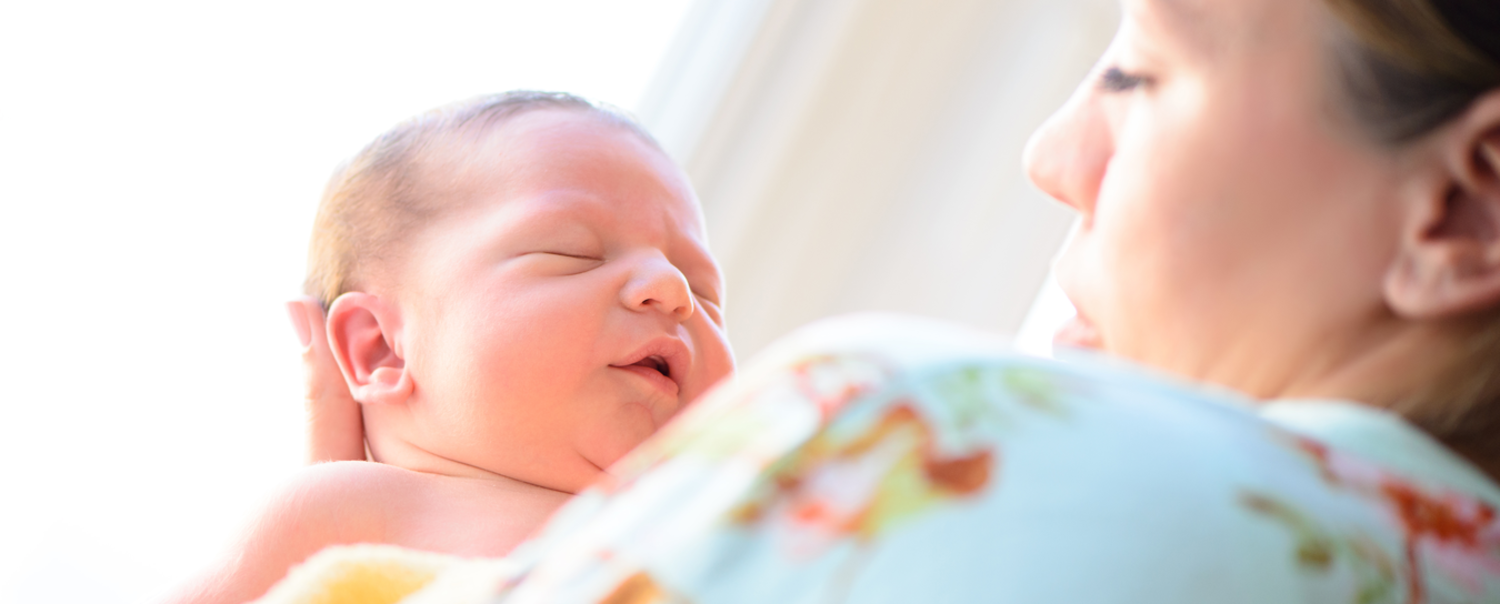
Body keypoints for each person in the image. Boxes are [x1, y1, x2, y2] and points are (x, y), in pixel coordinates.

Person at [275, 0, 1500, 601]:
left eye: (1141, 74)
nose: (1051, 155)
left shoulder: (920, 434)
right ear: (377, 342)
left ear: (1461, 212)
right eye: (564, 254)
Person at [161, 91, 735, 604]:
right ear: (383, 349)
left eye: (705, 293)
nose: (673, 290)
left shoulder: (725, 516)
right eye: (573, 253)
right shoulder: (350, 511)